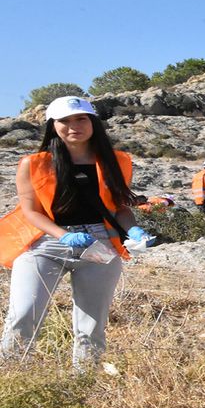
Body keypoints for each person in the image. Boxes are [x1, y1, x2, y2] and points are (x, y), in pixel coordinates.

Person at [0, 96, 153, 369]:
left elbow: (117, 208)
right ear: (52, 126)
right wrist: (63, 235)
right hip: (45, 243)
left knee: (92, 323)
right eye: (64, 121)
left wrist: (133, 229)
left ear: (93, 121)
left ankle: (84, 382)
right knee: (24, 314)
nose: (74, 126)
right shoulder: (34, 164)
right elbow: (32, 212)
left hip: (99, 243)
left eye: (81, 118)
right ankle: (11, 377)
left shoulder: (117, 161)